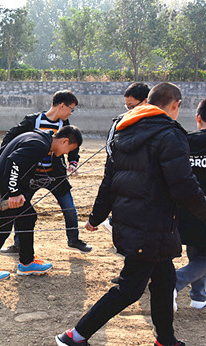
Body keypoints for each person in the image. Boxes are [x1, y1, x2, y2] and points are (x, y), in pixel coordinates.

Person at [55, 82, 206, 346]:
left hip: (137, 221)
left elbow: (108, 181)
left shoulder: (124, 130)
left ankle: (166, 340)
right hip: (151, 226)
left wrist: (97, 216)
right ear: (176, 105)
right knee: (129, 288)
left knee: (164, 280)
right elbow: (184, 187)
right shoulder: (171, 135)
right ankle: (74, 336)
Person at [0, 125, 83, 281]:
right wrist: (14, 193)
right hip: (4, 188)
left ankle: (26, 262)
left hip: (2, 184)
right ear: (64, 141)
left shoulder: (40, 138)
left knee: (28, 216)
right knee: (2, 227)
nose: (66, 154)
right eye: (69, 150)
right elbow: (14, 162)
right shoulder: (39, 144)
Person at [0, 90, 91, 255]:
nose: (71, 112)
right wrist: (4, 158)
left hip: (55, 175)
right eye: (71, 108)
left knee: (69, 208)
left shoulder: (65, 125)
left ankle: (74, 239)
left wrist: (73, 163)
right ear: (62, 106)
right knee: (22, 210)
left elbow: (73, 145)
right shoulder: (33, 120)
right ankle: (18, 245)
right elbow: (11, 137)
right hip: (31, 176)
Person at [103, 82, 151, 283]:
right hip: (127, 187)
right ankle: (130, 274)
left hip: (149, 189)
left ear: (146, 101)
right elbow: (110, 154)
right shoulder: (121, 123)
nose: (129, 111)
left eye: (133, 106)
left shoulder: (160, 124)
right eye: (127, 107)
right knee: (131, 232)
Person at [174, 98, 206, 310]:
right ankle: (175, 281)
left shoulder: (184, 140)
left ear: (198, 118)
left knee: (197, 250)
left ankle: (199, 296)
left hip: (185, 207)